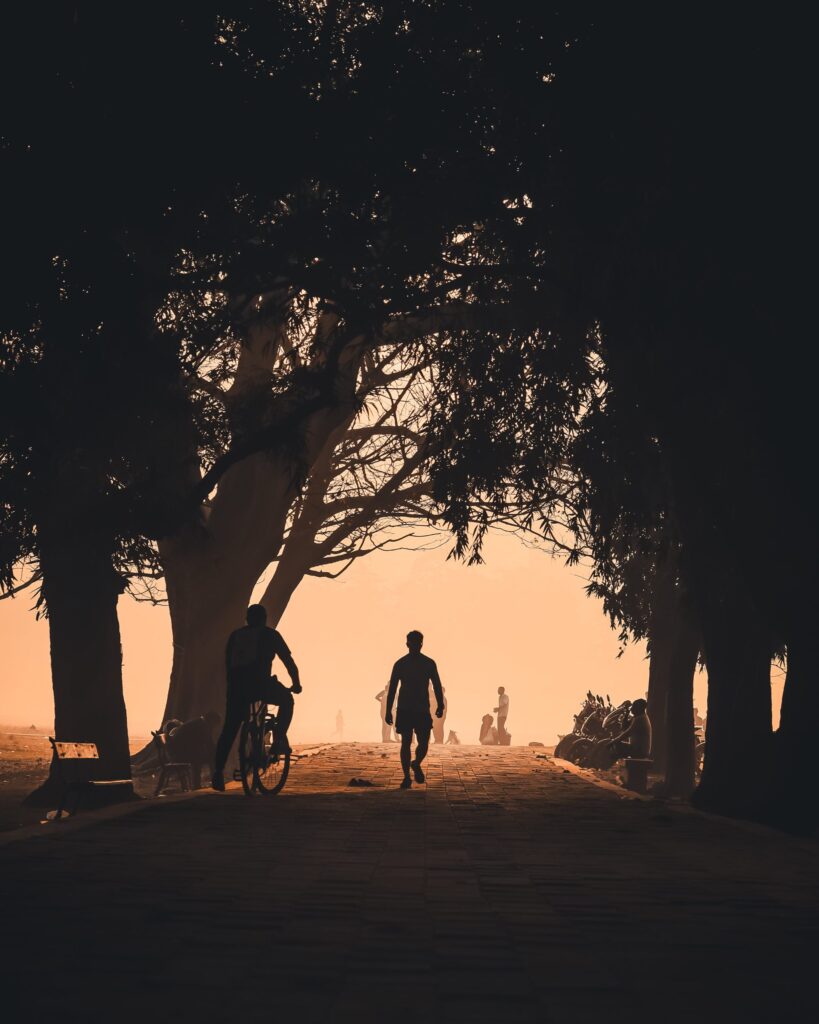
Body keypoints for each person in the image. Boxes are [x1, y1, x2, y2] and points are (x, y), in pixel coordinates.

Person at [211, 604, 302, 791]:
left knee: (230, 728)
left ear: (247, 619)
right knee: (287, 700)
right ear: (264, 619)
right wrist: (296, 683)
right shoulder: (270, 635)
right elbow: (288, 661)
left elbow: (227, 664)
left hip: (237, 688)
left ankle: (218, 772)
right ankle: (278, 738)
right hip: (261, 685)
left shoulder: (235, 636)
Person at [385, 630, 443, 789]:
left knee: (423, 742)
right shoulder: (400, 664)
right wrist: (388, 710)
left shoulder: (428, 663)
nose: (416, 646)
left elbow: (437, 684)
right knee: (406, 742)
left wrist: (441, 704)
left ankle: (416, 763)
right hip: (406, 708)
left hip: (420, 709)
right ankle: (406, 777)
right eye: (414, 643)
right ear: (408, 644)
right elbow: (392, 689)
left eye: (418, 643)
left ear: (421, 644)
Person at [167, 712, 221, 788]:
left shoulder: (200, 723)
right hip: (179, 754)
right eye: (215, 724)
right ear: (211, 720)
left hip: (182, 752)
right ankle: (198, 784)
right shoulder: (200, 725)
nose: (215, 727)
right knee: (202, 757)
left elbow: (208, 743)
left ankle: (210, 781)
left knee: (210, 756)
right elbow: (206, 743)